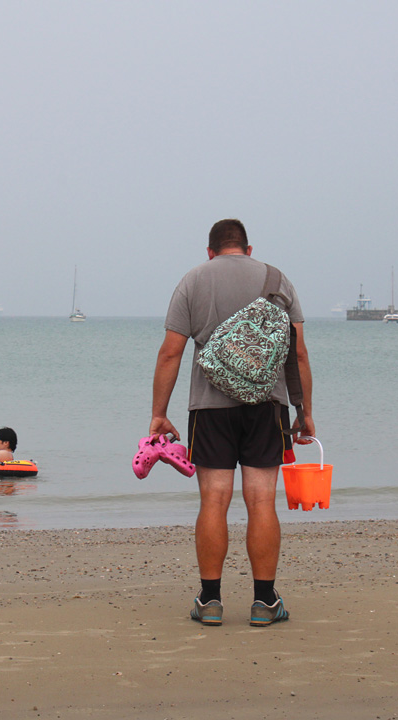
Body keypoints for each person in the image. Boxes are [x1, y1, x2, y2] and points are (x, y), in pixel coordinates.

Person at [150, 219, 314, 628]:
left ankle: (209, 601)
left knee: (214, 501)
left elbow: (170, 353)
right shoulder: (277, 280)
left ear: (210, 251)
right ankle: (264, 602)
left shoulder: (192, 281)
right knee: (261, 501)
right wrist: (303, 411)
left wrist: (159, 413)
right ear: (248, 248)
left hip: (209, 408)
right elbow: (299, 355)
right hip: (267, 405)